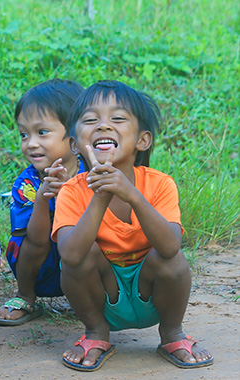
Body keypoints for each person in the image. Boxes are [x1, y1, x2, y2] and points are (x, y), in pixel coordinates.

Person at [52, 80, 214, 371]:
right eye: (90, 120)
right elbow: (71, 256)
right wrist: (101, 196)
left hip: (151, 293)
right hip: (102, 293)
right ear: (75, 144)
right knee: (81, 252)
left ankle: (172, 333)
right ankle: (96, 332)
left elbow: (169, 245)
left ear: (143, 140)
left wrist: (132, 195)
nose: (103, 126)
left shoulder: (160, 184)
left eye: (117, 118)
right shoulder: (72, 191)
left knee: (171, 258)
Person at [0, 79, 85, 326]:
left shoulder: (93, 173)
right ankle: (25, 295)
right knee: (27, 242)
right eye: (24, 134)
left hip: (85, 261)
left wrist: (70, 194)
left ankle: (100, 299)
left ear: (75, 135)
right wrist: (44, 197)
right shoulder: (27, 184)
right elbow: (35, 239)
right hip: (44, 268)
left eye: (42, 132)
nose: (31, 143)